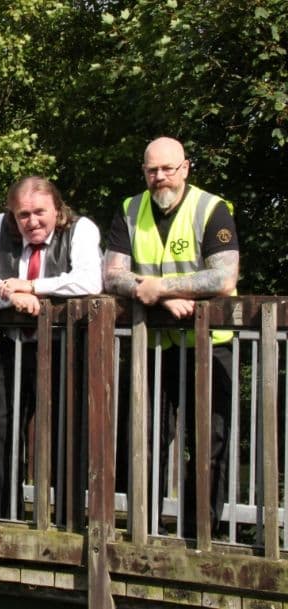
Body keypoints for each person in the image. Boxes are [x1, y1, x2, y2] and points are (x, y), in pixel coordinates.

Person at [103, 136, 238, 537]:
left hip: (210, 346)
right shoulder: (129, 209)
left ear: (185, 168)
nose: (160, 177)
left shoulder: (212, 209)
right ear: (144, 171)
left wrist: (160, 287)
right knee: (145, 441)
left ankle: (203, 535)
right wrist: (159, 296)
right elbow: (111, 276)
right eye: (151, 170)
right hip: (153, 348)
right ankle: (144, 532)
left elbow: (224, 276)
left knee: (210, 444)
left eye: (167, 169)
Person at [0, 176, 102, 519]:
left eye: (40, 212)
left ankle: (68, 517)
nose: (32, 222)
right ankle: (4, 516)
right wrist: (9, 293)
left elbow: (89, 280)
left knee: (66, 430)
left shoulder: (82, 230)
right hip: (10, 346)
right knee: (1, 429)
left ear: (57, 208)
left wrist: (34, 286)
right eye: (23, 214)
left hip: (63, 349)